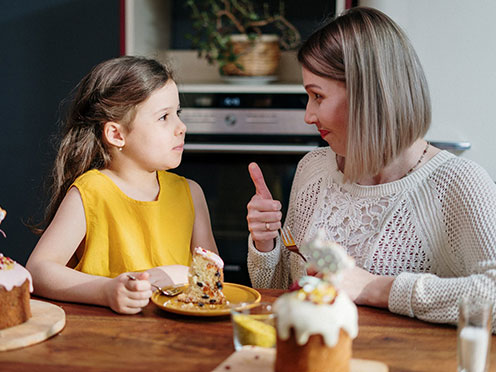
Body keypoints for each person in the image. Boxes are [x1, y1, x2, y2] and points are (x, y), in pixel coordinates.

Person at [246, 7, 496, 330]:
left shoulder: (458, 184)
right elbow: (281, 292)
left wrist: (375, 288)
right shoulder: (313, 170)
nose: (308, 115)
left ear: (368, 95)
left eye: (317, 96)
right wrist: (265, 244)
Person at [27, 56, 217, 314]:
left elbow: (213, 277)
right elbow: (38, 270)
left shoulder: (191, 194)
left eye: (178, 113)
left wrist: (178, 274)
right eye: (164, 117)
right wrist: (106, 291)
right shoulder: (91, 192)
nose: (181, 127)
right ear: (117, 134)